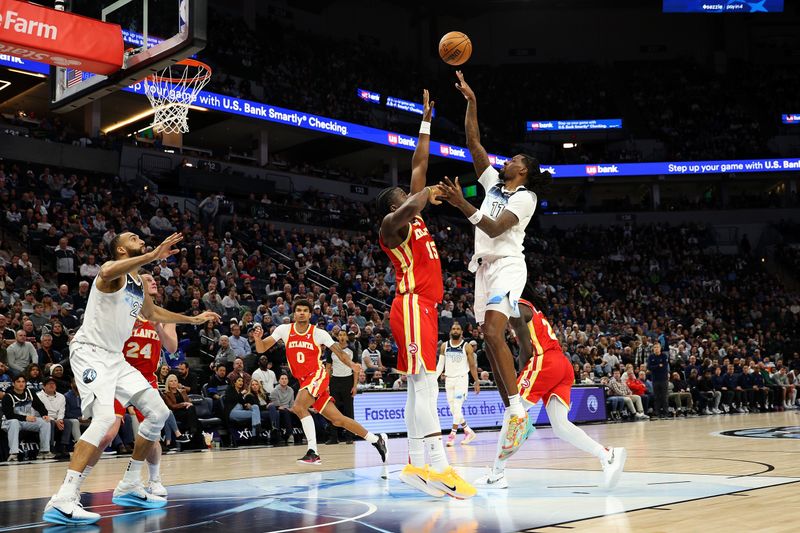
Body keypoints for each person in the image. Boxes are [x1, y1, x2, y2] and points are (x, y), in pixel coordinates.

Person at [44, 232, 220, 526]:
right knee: (103, 422)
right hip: (90, 353)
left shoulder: (138, 283)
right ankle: (64, 496)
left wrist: (192, 319)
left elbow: (153, 312)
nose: (139, 237)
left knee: (158, 412)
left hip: (115, 357)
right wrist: (153, 255)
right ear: (122, 249)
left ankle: (129, 482)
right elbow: (106, 270)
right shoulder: (112, 273)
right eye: (132, 237)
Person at [438, 71, 552, 462]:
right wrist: (472, 101)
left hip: (508, 265)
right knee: (488, 338)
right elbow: (473, 142)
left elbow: (494, 226)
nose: (509, 159)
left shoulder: (526, 197)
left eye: (516, 159)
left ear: (523, 170)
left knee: (492, 329)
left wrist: (461, 204)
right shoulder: (493, 186)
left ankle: (518, 407)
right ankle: (512, 411)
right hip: (482, 268)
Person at [375, 89, 474, 499]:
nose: (414, 192)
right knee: (425, 384)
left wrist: (426, 121)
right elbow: (407, 205)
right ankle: (439, 466)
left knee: (418, 385)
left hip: (425, 308)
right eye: (409, 194)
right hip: (413, 303)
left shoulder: (414, 212)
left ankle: (415, 464)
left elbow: (419, 161)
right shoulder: (392, 223)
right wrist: (423, 194)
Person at [476, 297, 626, 490]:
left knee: (513, 411)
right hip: (562, 365)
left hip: (545, 361)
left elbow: (526, 350)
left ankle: (497, 474)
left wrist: (522, 378)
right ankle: (606, 454)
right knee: (561, 426)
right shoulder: (529, 309)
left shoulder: (516, 308)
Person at [254, 299, 387, 466]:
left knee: (299, 407)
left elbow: (339, 353)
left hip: (317, 375)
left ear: (310, 314)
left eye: (305, 310)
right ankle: (377, 439)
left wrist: (352, 365)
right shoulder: (284, 330)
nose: (301, 313)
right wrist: (258, 339)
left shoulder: (319, 333)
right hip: (304, 381)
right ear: (294, 313)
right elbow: (261, 348)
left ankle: (313, 452)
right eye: (298, 310)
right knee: (338, 420)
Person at [89, 273, 179, 498]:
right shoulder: (123, 310)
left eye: (154, 280)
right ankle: (75, 483)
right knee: (107, 434)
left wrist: (158, 326)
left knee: (152, 434)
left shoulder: (164, 316)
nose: (154, 281)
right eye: (148, 279)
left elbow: (172, 347)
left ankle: (154, 479)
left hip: (146, 378)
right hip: (118, 376)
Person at [436, 322, 479, 446]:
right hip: (449, 380)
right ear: (450, 331)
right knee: (453, 409)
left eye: (458, 329)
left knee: (457, 407)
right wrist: (434, 378)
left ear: (461, 332)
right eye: (453, 328)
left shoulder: (467, 347)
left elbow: (472, 365)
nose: (455, 330)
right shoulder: (444, 346)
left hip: (462, 379)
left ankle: (452, 435)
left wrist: (476, 381)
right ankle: (468, 430)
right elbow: (440, 365)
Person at [2, 374, 54, 461]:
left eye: (23, 382)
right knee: (14, 422)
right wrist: (25, 418)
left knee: (45, 422)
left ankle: (44, 451)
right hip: (9, 422)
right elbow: (9, 415)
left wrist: (44, 414)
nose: (21, 384)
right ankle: (13, 454)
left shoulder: (30, 392)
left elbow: (40, 406)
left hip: (25, 421)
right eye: (18, 382)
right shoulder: (8, 396)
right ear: (13, 384)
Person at [325, 330, 358, 445]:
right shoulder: (331, 351)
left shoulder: (352, 350)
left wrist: (354, 386)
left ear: (347, 337)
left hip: (348, 380)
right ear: (337, 337)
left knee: (349, 410)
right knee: (332, 410)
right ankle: (333, 437)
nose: (342, 337)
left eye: (344, 335)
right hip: (335, 381)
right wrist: (326, 385)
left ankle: (350, 436)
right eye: (340, 335)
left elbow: (356, 369)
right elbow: (328, 368)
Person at [37, 376, 73, 458]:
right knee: (50, 423)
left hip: (57, 419)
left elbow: (62, 411)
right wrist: (55, 421)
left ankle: (62, 447)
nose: (51, 385)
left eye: (53, 383)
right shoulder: (39, 396)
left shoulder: (61, 396)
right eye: (49, 384)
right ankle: (51, 447)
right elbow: (42, 413)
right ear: (43, 386)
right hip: (44, 418)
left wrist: (59, 420)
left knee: (67, 422)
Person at [223, 376, 263, 443]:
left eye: (242, 381)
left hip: (240, 411)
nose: (241, 382)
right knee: (255, 414)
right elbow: (231, 399)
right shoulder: (230, 389)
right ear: (235, 382)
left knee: (255, 407)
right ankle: (256, 433)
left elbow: (242, 403)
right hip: (232, 412)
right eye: (239, 380)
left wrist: (247, 405)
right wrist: (241, 394)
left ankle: (255, 434)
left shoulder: (240, 392)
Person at [267, 374, 296, 445]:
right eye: (282, 379)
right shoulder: (275, 391)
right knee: (285, 412)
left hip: (288, 409)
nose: (284, 380)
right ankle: (290, 435)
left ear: (288, 380)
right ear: (279, 381)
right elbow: (277, 405)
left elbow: (292, 403)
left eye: (286, 379)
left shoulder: (291, 390)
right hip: (279, 409)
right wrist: (286, 408)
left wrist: (291, 409)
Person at [648, 343, 670, 419]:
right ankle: (657, 413)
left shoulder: (664, 356)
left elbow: (664, 367)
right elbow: (649, 367)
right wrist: (658, 366)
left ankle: (665, 413)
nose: (656, 348)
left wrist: (655, 367)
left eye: (657, 347)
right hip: (655, 379)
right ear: (653, 348)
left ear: (660, 348)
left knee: (664, 396)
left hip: (663, 379)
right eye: (655, 347)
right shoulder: (651, 357)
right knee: (656, 397)